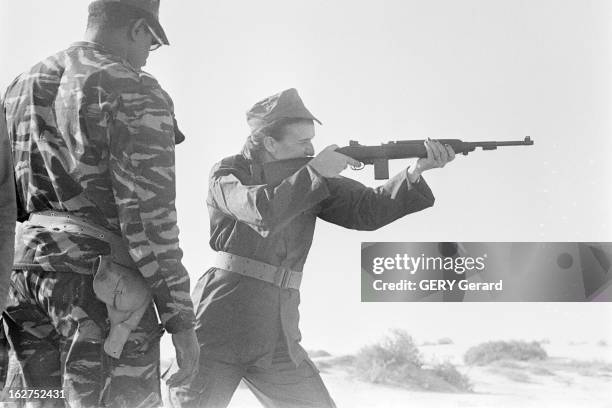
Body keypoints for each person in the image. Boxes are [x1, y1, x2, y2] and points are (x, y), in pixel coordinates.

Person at [169, 88, 455, 408]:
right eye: (303, 142)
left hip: (279, 329)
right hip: (221, 321)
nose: (312, 148)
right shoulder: (228, 173)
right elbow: (261, 210)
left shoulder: (311, 176)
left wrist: (416, 172)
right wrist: (316, 172)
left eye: (312, 140)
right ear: (269, 142)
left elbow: (368, 210)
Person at [1, 0, 198, 406]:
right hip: (99, 288)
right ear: (138, 29)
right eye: (152, 43)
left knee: (38, 402)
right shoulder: (134, 87)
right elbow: (149, 218)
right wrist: (181, 319)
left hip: (24, 281)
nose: (147, 56)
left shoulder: (22, 84)